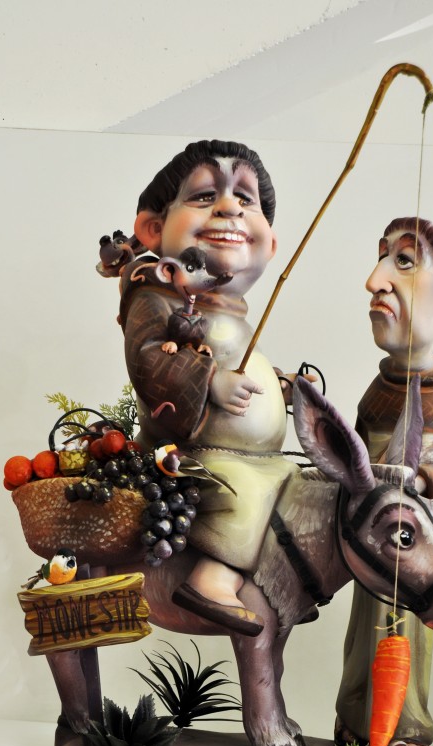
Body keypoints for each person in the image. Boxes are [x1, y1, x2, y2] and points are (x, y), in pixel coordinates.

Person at [114, 140, 303, 637]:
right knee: (243, 491)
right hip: (192, 457)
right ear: (154, 229)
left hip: (259, 457)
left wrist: (280, 385)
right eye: (204, 196)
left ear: (270, 244)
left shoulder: (231, 314)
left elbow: (238, 356)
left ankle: (288, 579)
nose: (229, 207)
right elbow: (148, 357)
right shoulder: (155, 298)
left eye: (246, 198)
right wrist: (209, 380)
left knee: (301, 486)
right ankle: (210, 580)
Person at [335, 217, 433, 746]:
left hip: (411, 548)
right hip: (370, 540)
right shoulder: (379, 390)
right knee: (362, 634)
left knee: (410, 633)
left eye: (404, 261)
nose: (375, 281)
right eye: (381, 259)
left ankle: (405, 725)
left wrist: (423, 484)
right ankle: (356, 718)